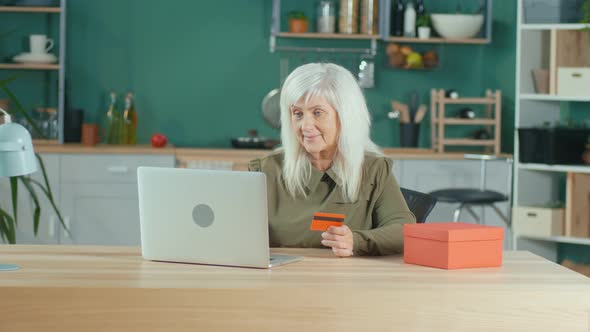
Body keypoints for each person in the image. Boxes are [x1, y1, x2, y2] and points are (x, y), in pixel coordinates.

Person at [249, 63, 415, 257]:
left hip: (348, 282)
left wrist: (356, 241)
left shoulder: (374, 169)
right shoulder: (267, 170)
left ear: (345, 117)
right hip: (278, 281)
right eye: (298, 114)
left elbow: (404, 231)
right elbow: (236, 232)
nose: (305, 125)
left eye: (317, 112)